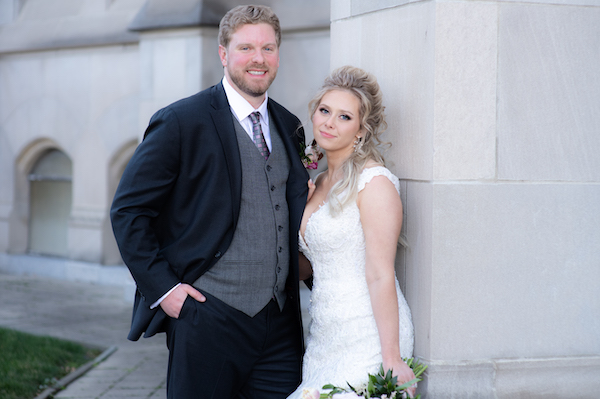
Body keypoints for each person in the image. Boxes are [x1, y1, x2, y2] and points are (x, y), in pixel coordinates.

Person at [110, 5, 309, 398]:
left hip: (281, 326)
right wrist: (167, 292)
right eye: (246, 47)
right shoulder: (182, 121)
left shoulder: (291, 127)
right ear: (223, 53)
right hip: (207, 317)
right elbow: (128, 211)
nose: (258, 59)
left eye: (268, 48)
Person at [287, 66, 416, 398]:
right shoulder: (315, 184)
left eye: (345, 117)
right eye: (325, 110)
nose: (329, 122)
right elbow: (311, 263)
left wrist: (391, 357)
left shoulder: (374, 183)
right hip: (325, 338)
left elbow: (379, 273)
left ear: (361, 131)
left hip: (367, 335)